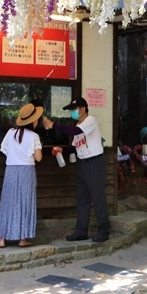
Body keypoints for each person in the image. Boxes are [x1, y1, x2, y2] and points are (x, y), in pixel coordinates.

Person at [44, 97, 111, 243]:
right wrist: (63, 149)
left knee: (98, 197)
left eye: (73, 110)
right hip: (82, 164)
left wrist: (53, 125)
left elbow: (75, 131)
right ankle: (81, 231)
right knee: (82, 199)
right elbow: (75, 146)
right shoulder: (79, 124)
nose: (72, 113)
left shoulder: (90, 121)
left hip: (94, 162)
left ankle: (104, 230)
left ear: (82, 109)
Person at [0, 102, 44, 248]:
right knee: (25, 203)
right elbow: (38, 157)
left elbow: (5, 150)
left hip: (11, 171)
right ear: (33, 121)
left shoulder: (10, 133)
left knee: (8, 202)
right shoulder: (34, 136)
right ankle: (22, 239)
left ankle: (1, 239)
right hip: (27, 171)